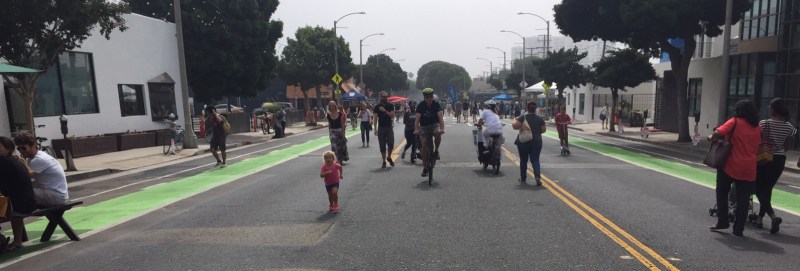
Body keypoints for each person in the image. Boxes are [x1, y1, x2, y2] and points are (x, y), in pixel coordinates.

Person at [707, 99, 761, 237]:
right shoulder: (757, 127)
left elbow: (718, 132)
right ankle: (739, 229)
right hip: (749, 167)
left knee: (722, 192)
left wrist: (711, 136)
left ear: (738, 111)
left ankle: (723, 221)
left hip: (730, 165)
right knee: (744, 200)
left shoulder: (735, 121)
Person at [754, 98, 795, 233]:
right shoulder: (789, 127)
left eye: (769, 107)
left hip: (765, 158)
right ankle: (759, 219)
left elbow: (757, 140)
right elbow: (787, 147)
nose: (768, 109)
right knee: (768, 189)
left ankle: (773, 217)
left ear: (773, 109)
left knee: (760, 189)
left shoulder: (764, 123)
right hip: (780, 160)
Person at [13, 131, 68, 208]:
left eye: (24, 148)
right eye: (19, 148)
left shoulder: (39, 159)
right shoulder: (33, 158)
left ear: (33, 146)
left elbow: (27, 175)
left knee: (17, 192)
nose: (21, 151)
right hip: (54, 194)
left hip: (56, 196)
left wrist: (22, 164)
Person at [0, 136, 37, 252]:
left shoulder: (4, 162)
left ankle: (1, 239)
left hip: (18, 205)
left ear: (8, 149)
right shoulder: (11, 160)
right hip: (26, 201)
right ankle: (8, 240)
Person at [513, 102, 547, 185]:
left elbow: (515, 126)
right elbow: (543, 130)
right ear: (535, 109)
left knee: (523, 160)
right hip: (537, 141)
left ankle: (523, 178)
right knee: (535, 159)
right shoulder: (540, 119)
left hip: (524, 142)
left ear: (527, 108)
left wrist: (514, 119)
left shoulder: (522, 117)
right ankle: (537, 177)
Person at [414, 88, 445, 177]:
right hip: (424, 126)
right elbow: (417, 120)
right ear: (424, 97)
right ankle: (425, 168)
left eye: (430, 96)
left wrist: (441, 129)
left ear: (433, 97)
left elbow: (440, 118)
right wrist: (416, 130)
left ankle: (436, 151)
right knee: (423, 145)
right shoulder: (420, 105)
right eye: (427, 97)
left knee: (438, 133)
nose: (429, 98)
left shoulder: (436, 105)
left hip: (434, 124)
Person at [374, 91, 396, 168]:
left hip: (389, 127)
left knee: (391, 144)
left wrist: (384, 111)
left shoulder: (390, 105)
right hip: (381, 128)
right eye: (383, 97)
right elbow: (375, 118)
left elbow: (392, 115)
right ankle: (384, 161)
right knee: (382, 145)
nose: (385, 98)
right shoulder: (377, 107)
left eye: (386, 97)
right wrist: (375, 128)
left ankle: (389, 157)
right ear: (380, 97)